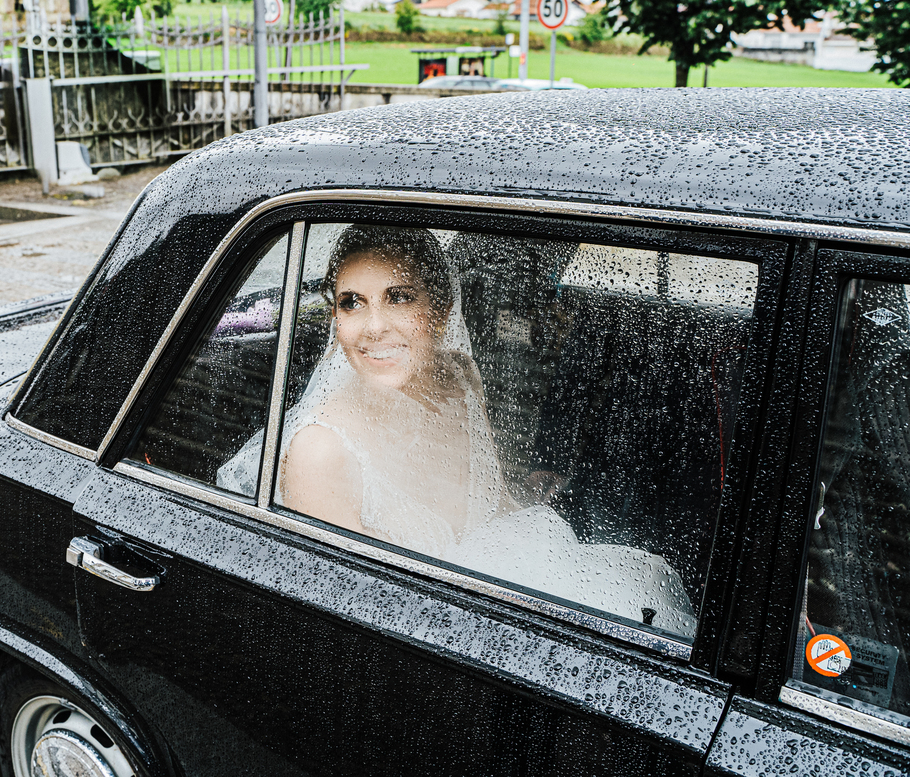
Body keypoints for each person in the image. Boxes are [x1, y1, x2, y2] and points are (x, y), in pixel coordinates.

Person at [226, 224, 697, 637]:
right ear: (336, 317)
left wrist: (529, 504)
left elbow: (491, 505)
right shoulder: (322, 451)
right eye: (352, 303)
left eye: (399, 297)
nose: (373, 328)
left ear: (442, 310)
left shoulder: (460, 377)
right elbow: (350, 616)